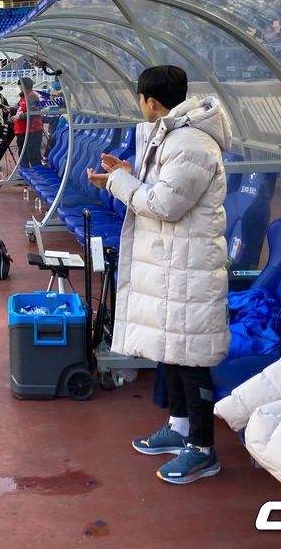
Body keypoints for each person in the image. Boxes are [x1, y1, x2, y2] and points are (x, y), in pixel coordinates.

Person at [86, 65, 232, 485]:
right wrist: (125, 173)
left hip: (188, 267)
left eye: (140, 98)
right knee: (172, 350)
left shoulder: (191, 141)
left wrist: (118, 182)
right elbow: (160, 189)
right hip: (170, 263)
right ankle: (179, 427)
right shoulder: (174, 135)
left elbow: (165, 205)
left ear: (150, 100)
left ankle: (203, 449)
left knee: (191, 359)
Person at [9, 77, 43, 168]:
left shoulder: (32, 96)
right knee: (24, 154)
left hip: (31, 130)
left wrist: (19, 117)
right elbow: (21, 110)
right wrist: (11, 109)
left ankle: (38, 172)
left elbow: (33, 112)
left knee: (32, 154)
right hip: (23, 129)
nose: (19, 87)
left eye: (20, 85)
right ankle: (25, 171)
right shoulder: (24, 97)